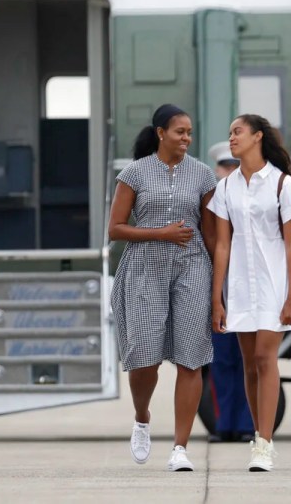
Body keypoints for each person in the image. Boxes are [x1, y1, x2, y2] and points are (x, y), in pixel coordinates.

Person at [109, 104, 217, 472]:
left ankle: (180, 449)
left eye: (189, 132)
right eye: (179, 132)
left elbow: (211, 233)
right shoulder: (135, 173)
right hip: (145, 268)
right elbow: (116, 229)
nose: (186, 138)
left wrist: (220, 284)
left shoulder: (203, 175)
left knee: (191, 357)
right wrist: (162, 233)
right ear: (160, 133)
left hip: (193, 267)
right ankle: (142, 418)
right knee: (144, 357)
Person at [209, 114, 291, 471]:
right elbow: (222, 245)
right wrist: (216, 297)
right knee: (250, 366)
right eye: (230, 132)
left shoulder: (283, 185)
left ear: (257, 137)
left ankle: (263, 444)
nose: (232, 138)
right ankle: (257, 433)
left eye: (238, 132)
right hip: (239, 287)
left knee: (266, 360)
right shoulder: (226, 187)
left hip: (273, 285)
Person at [206, 141, 255, 443]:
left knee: (249, 360)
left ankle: (249, 424)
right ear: (217, 170)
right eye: (225, 166)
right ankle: (224, 424)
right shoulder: (210, 201)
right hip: (220, 290)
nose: (230, 172)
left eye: (235, 166)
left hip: (250, 289)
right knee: (221, 361)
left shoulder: (255, 198)